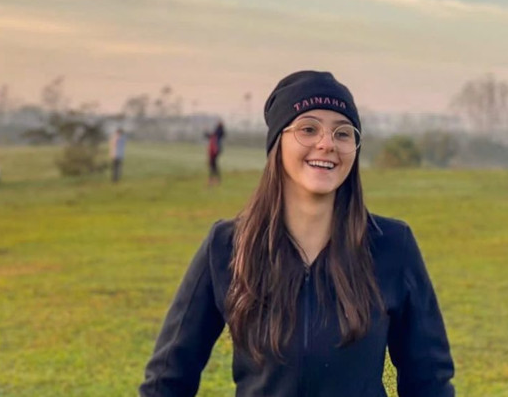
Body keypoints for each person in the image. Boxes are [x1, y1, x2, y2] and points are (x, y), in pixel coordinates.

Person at [140, 70, 455, 397]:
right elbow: (167, 380)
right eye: (308, 129)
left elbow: (429, 381)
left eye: (343, 133)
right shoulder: (226, 246)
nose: (327, 144)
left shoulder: (392, 245)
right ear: (278, 141)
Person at [205, 119, 225, 186]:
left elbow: (211, 135)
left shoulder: (219, 131)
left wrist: (206, 132)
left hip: (214, 150)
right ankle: (215, 178)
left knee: (213, 164)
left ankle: (213, 179)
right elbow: (211, 135)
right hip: (216, 150)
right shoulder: (220, 131)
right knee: (213, 164)